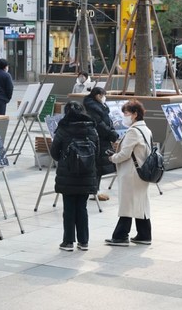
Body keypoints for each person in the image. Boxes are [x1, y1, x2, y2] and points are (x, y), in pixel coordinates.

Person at [50, 101, 99, 251]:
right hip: (86, 175)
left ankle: (68, 241)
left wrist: (65, 160)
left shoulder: (63, 128)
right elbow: (97, 152)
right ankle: (84, 241)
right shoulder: (91, 128)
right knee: (82, 208)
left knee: (69, 208)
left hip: (68, 175)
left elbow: (54, 152)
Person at [105, 100, 153, 246]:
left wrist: (112, 158)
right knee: (140, 202)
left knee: (127, 204)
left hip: (131, 172)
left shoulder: (133, 131)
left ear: (135, 114)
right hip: (142, 171)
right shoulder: (146, 129)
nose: (124, 116)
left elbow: (125, 154)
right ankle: (144, 235)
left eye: (126, 113)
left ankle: (121, 236)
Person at [82, 87, 118, 201]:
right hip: (98, 140)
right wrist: (111, 133)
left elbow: (106, 121)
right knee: (96, 167)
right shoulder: (92, 107)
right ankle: (93, 192)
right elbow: (99, 124)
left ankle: (95, 191)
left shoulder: (100, 105)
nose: (104, 97)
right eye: (103, 95)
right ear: (98, 95)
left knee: (99, 167)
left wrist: (111, 131)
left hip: (103, 139)